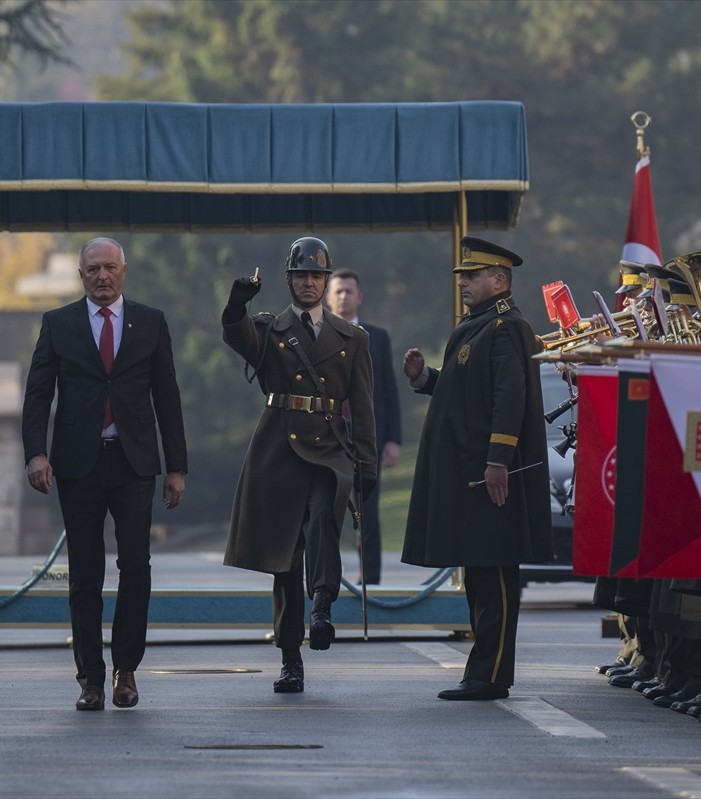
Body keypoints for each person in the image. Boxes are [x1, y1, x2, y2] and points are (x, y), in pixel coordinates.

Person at [23, 236, 188, 712]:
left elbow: (168, 397)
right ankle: (90, 678)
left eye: (109, 268)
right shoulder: (58, 324)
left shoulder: (151, 323)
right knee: (85, 575)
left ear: (123, 271)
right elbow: (38, 395)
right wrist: (36, 454)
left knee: (135, 566)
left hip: (134, 462)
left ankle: (126, 669)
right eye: (92, 269)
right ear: (80, 275)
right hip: (78, 463)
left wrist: (175, 466)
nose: (101, 276)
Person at [222, 237, 377, 694]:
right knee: (285, 561)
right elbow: (239, 338)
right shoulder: (269, 329)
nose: (308, 282)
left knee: (323, 518)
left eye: (316, 276)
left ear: (326, 282)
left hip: (329, 448)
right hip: (279, 449)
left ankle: (323, 606)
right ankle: (291, 659)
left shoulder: (354, 338)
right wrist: (236, 306)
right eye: (300, 275)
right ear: (289, 279)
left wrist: (366, 463)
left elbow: (363, 406)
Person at [401, 236, 552, 701]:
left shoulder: (505, 327)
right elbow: (466, 393)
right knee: (480, 574)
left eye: (472, 275)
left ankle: (489, 675)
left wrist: (497, 461)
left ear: (499, 280)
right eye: (462, 275)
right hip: (473, 473)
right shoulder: (480, 325)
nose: (463, 282)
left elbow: (510, 399)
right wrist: (425, 379)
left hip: (488, 474)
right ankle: (482, 672)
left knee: (494, 575)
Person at [327, 269, 402, 584]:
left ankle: (370, 582)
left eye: (349, 291)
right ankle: (324, 580)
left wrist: (393, 440)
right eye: (338, 291)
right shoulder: (316, 334)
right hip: (325, 437)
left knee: (367, 512)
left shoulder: (377, 337)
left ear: (360, 297)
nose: (344, 296)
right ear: (329, 296)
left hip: (367, 438)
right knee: (325, 511)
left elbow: (388, 389)